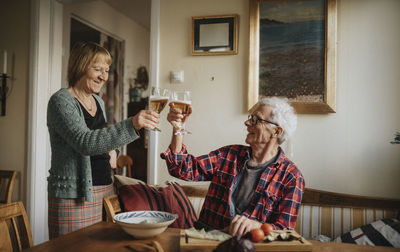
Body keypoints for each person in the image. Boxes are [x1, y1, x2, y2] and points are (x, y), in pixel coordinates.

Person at [46, 42, 160, 239]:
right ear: (79, 67)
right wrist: (132, 124)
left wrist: (113, 151)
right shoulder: (61, 101)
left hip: (106, 190)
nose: (104, 76)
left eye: (106, 70)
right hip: (74, 196)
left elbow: (101, 138)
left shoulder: (97, 100)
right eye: (97, 69)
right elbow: (85, 142)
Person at [161, 97, 304, 236]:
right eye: (250, 117)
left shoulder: (291, 176)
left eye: (255, 119)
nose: (247, 123)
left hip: (251, 247)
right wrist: (178, 130)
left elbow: (285, 230)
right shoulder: (229, 155)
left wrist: (258, 226)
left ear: (276, 131)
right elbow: (182, 168)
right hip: (205, 239)